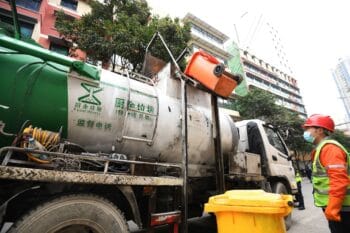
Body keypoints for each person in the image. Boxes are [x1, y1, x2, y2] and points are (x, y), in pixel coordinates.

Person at [303, 114, 350, 233]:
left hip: (342, 208)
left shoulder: (329, 149)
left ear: (319, 130)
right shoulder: (322, 148)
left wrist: (333, 208)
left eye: (308, 128)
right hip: (339, 206)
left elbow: (339, 181)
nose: (305, 132)